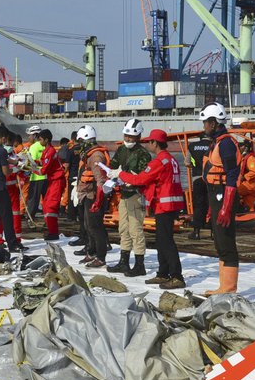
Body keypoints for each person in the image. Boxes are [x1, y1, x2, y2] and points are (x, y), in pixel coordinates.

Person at [111, 129, 185, 288]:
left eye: (149, 141)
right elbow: (156, 182)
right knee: (162, 240)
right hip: (169, 205)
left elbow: (141, 178)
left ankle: (177, 276)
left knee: (166, 242)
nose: (147, 144)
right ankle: (163, 273)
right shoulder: (170, 160)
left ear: (155, 143)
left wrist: (121, 174)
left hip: (164, 205)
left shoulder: (159, 161)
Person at [199, 103, 240, 294]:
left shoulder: (226, 144)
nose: (204, 127)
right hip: (216, 195)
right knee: (220, 243)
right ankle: (223, 286)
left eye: (206, 123)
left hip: (224, 195)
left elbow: (232, 174)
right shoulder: (217, 143)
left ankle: (229, 288)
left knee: (226, 242)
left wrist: (226, 206)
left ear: (214, 123)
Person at [107, 118, 152, 276]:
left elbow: (143, 177)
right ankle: (123, 262)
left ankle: (140, 265)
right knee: (123, 229)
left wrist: (125, 175)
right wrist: (111, 172)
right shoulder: (121, 150)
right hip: (124, 195)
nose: (128, 139)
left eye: (131, 137)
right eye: (126, 136)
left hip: (136, 194)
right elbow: (113, 164)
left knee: (135, 229)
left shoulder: (143, 154)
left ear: (139, 137)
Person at [74, 125, 109, 268]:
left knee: (95, 226)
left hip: (94, 195)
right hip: (87, 194)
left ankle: (100, 257)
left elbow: (100, 180)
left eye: (80, 141)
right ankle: (92, 251)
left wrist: (98, 199)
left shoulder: (95, 156)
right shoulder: (88, 154)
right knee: (88, 226)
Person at [33, 129, 65, 240]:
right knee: (46, 204)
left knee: (51, 205)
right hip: (53, 181)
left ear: (46, 140)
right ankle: (51, 229)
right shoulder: (47, 151)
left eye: (40, 139)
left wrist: (31, 169)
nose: (39, 141)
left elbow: (43, 171)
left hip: (57, 180)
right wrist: (34, 162)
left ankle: (53, 232)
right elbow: (43, 162)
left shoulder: (50, 152)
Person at [187, 134, 212, 240]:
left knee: (198, 205)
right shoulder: (214, 145)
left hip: (197, 178)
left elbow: (187, 163)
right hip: (211, 179)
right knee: (212, 205)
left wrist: (195, 165)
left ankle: (196, 232)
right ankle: (214, 233)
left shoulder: (192, 146)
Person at [26, 125, 46, 219]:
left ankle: (30, 218)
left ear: (35, 135)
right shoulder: (46, 146)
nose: (28, 137)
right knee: (46, 200)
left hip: (36, 177)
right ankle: (48, 219)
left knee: (33, 200)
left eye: (30, 135)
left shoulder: (33, 147)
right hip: (46, 177)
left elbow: (31, 162)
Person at [237, 139, 255, 212]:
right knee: (249, 203)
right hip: (248, 185)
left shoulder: (250, 158)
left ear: (245, 147)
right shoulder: (243, 158)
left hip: (250, 185)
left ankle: (235, 210)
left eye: (240, 146)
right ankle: (250, 212)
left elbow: (254, 171)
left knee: (233, 192)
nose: (238, 148)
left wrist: (244, 177)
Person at [63, 130, 81, 223]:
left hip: (72, 176)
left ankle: (71, 216)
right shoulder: (83, 150)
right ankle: (79, 215)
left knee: (71, 197)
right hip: (81, 176)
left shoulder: (70, 151)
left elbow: (66, 165)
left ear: (72, 139)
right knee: (80, 196)